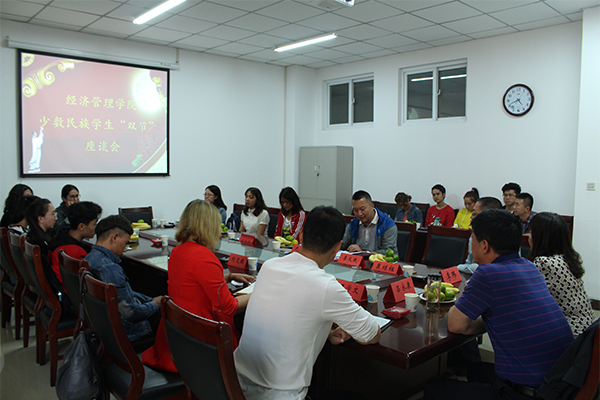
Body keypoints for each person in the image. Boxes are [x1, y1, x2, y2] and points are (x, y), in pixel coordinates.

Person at [425, 209, 574, 400]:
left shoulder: (488, 274)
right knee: (475, 370)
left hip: (529, 392)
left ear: (484, 245)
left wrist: (481, 321)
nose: (471, 243)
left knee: (434, 389)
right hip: (559, 382)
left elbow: (456, 324)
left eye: (473, 238)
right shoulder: (530, 267)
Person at [234, 206, 381, 400]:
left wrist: (324, 331)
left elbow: (283, 312)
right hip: (282, 395)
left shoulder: (270, 266)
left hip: (236, 386)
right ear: (338, 247)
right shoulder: (326, 286)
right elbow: (372, 334)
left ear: (301, 236)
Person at [143, 200, 253, 372]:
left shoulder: (178, 251)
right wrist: (255, 295)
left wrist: (228, 276)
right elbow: (229, 308)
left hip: (176, 331)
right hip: (199, 338)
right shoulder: (205, 258)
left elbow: (192, 284)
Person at [85, 215, 163, 342]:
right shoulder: (110, 269)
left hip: (102, 325)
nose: (125, 249)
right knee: (170, 316)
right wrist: (155, 304)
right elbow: (131, 313)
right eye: (126, 243)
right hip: (126, 331)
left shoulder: (89, 259)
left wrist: (149, 301)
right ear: (114, 237)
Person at [527, 212, 594, 336]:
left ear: (540, 237)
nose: (529, 237)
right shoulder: (567, 258)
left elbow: (527, 299)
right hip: (586, 328)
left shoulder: (544, 263)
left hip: (569, 332)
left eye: (531, 232)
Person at [48, 201, 102, 286]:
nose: (96, 227)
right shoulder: (75, 252)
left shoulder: (60, 238)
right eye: (94, 224)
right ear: (81, 226)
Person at [24, 197, 64, 301]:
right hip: (47, 294)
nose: (56, 218)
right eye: (52, 214)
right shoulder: (39, 243)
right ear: (41, 218)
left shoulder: (32, 236)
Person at [342, 190, 397, 255]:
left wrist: (364, 253)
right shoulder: (353, 224)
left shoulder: (387, 224)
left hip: (378, 263)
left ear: (372, 206)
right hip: (356, 263)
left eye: (362, 209)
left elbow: (389, 252)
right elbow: (343, 245)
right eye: (355, 210)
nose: (359, 214)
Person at [456, 197, 502, 274]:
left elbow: (483, 267)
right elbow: (469, 263)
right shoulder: (475, 234)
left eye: (474, 214)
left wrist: (457, 267)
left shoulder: (505, 236)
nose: (471, 217)